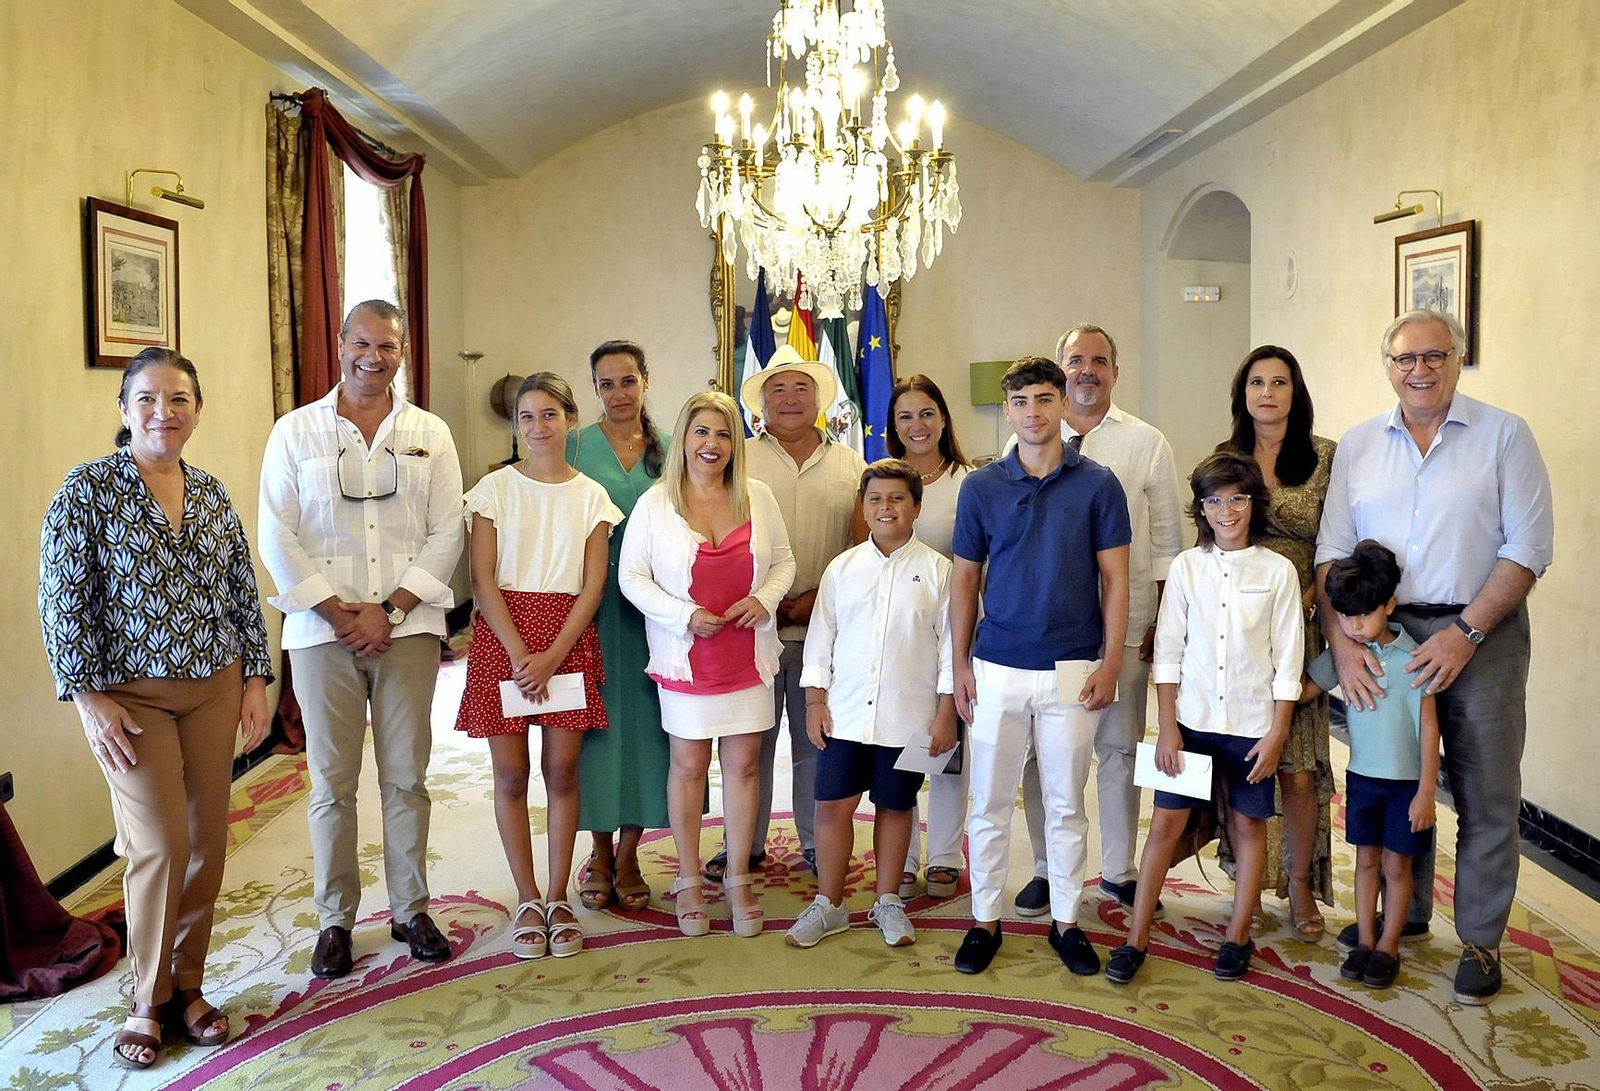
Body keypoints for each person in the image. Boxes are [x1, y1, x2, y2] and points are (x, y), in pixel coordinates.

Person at [39, 349, 273, 1068]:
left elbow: (240, 588)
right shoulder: (87, 490)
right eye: (146, 398)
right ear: (123, 409)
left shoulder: (211, 492)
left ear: (197, 411)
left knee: (206, 843)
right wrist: (88, 698)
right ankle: (146, 997)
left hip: (215, 687)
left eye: (178, 399)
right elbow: (62, 599)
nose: (163, 412)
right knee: (159, 845)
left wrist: (256, 678)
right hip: (130, 699)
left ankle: (187, 987)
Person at [1317, 308, 1553, 1005]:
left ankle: (1480, 937)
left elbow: (1529, 546)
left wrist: (1466, 632)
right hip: (1385, 634)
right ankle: (1406, 914)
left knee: (1486, 792)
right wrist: (1343, 644)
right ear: (1387, 367)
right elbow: (1333, 550)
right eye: (1404, 358)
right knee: (1395, 777)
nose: (1418, 369)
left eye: (1434, 356)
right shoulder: (1359, 444)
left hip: (1482, 631)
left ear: (1457, 359)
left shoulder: (1505, 435)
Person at [258, 300, 464, 979]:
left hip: (408, 628)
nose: (374, 358)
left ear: (402, 352)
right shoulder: (295, 431)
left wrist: (391, 609)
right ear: (341, 342)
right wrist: (338, 613)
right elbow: (276, 533)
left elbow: (448, 530)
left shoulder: (430, 431)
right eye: (362, 343)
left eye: (388, 346)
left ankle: (411, 909)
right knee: (331, 780)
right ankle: (335, 920)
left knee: (406, 776)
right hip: (321, 632)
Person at [949, 356, 1130, 977]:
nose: (1033, 412)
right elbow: (965, 580)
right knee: (989, 801)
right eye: (1021, 402)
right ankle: (984, 920)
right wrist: (959, 665)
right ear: (1008, 410)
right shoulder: (981, 488)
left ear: (1063, 405)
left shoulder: (1099, 484)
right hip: (996, 664)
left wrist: (1110, 662)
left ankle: (1067, 922)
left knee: (1066, 802)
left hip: (1074, 666)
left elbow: (1116, 580)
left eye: (1044, 399)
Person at [1005, 325, 1184, 920]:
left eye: (1099, 361)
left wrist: (1162, 620)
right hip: (1049, 632)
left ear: (1115, 372)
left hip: (1122, 629)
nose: (1087, 370)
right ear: (1059, 372)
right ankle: (1045, 868)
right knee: (1044, 755)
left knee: (1118, 750)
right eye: (1076, 360)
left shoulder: (1146, 442)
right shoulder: (1025, 436)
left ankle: (1118, 870)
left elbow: (1167, 542)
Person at [1105, 452, 1303, 986]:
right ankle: (1136, 937)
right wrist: (1167, 727)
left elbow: (1288, 660)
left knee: (1247, 826)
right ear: (1202, 508)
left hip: (1252, 727)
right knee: (1164, 826)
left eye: (1237, 498)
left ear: (1253, 503)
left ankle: (1237, 935)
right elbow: (1168, 652)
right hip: (1189, 725)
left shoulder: (1278, 571)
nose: (1226, 511)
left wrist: (1278, 732)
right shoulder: (1186, 568)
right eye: (1214, 500)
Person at [455, 373, 621, 959]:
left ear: (570, 419)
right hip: (504, 637)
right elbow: (481, 578)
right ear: (516, 424)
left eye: (549, 414)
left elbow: (593, 586)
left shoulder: (592, 497)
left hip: (566, 638)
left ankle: (557, 896)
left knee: (562, 771)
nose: (538, 426)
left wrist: (552, 655)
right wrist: (519, 651)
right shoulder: (494, 489)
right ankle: (526, 897)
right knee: (510, 774)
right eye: (526, 416)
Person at [619, 391, 796, 937]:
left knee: (745, 767)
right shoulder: (655, 504)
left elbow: (784, 561)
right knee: (689, 767)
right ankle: (690, 878)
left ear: (735, 443)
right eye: (701, 432)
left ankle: (737, 876)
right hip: (687, 659)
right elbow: (631, 578)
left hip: (748, 657)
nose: (712, 444)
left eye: (723, 434)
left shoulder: (758, 496)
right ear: (683, 438)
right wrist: (685, 615)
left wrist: (764, 599)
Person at [787, 460, 957, 948]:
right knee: (831, 806)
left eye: (897, 498)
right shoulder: (842, 569)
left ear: (916, 507)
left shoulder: (939, 572)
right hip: (843, 715)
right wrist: (815, 701)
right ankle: (829, 904)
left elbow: (951, 649)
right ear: (862, 508)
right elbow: (821, 640)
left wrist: (946, 714)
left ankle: (887, 901)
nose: (886, 508)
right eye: (875, 499)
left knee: (896, 805)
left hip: (909, 718)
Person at [1212, 345, 1337, 939]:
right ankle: (1249, 884)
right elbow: (1209, 539)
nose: (1267, 392)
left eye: (1279, 382)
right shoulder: (1225, 459)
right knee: (1245, 768)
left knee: (1297, 771)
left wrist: (1306, 599)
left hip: (1304, 619)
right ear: (1243, 394)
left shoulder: (1326, 458)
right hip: (1237, 627)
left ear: (1296, 392)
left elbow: (1338, 542)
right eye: (1257, 382)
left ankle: (1301, 887)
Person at [734, 346, 867, 880]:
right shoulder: (738, 458)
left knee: (817, 740)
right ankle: (745, 844)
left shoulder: (851, 464)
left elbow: (863, 545)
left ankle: (815, 841)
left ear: (818, 399)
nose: (790, 398)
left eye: (801, 388)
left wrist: (817, 599)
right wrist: (769, 597)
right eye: (778, 389)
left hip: (825, 629)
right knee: (750, 744)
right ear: (762, 401)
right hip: (753, 627)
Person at [566, 341, 673, 913]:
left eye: (628, 381)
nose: (618, 393)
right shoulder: (572, 446)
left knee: (654, 733)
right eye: (606, 384)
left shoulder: (674, 450)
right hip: (590, 609)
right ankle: (599, 852)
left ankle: (630, 854)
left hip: (657, 613)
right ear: (595, 389)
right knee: (595, 733)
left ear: (645, 381)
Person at [1301, 541, 1438, 989]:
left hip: (1405, 787)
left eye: (1364, 614)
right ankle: (1364, 941)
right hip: (1362, 780)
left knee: (1397, 868)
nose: (1354, 626)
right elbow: (1304, 691)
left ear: (1389, 605)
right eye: (1345, 616)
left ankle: (1388, 947)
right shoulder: (1342, 656)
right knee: (1365, 862)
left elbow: (1429, 730)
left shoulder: (1414, 660)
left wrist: (1426, 792)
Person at [885, 374, 973, 900]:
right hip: (897, 633)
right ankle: (905, 855)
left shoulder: (970, 482)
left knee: (948, 738)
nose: (917, 425)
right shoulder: (883, 478)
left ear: (943, 418)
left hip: (955, 627)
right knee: (901, 740)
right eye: (905, 416)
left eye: (926, 413)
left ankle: (943, 854)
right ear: (893, 426)